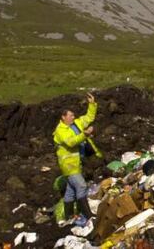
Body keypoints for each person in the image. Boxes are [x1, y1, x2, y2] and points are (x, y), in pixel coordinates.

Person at [53, 92, 102, 222]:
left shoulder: (75, 124)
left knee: (70, 191)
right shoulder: (61, 130)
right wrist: (85, 134)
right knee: (81, 186)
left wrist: (92, 104)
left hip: (77, 162)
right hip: (69, 165)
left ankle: (69, 216)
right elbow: (71, 142)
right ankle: (88, 215)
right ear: (63, 117)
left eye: (73, 115)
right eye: (70, 115)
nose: (73, 117)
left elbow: (88, 118)